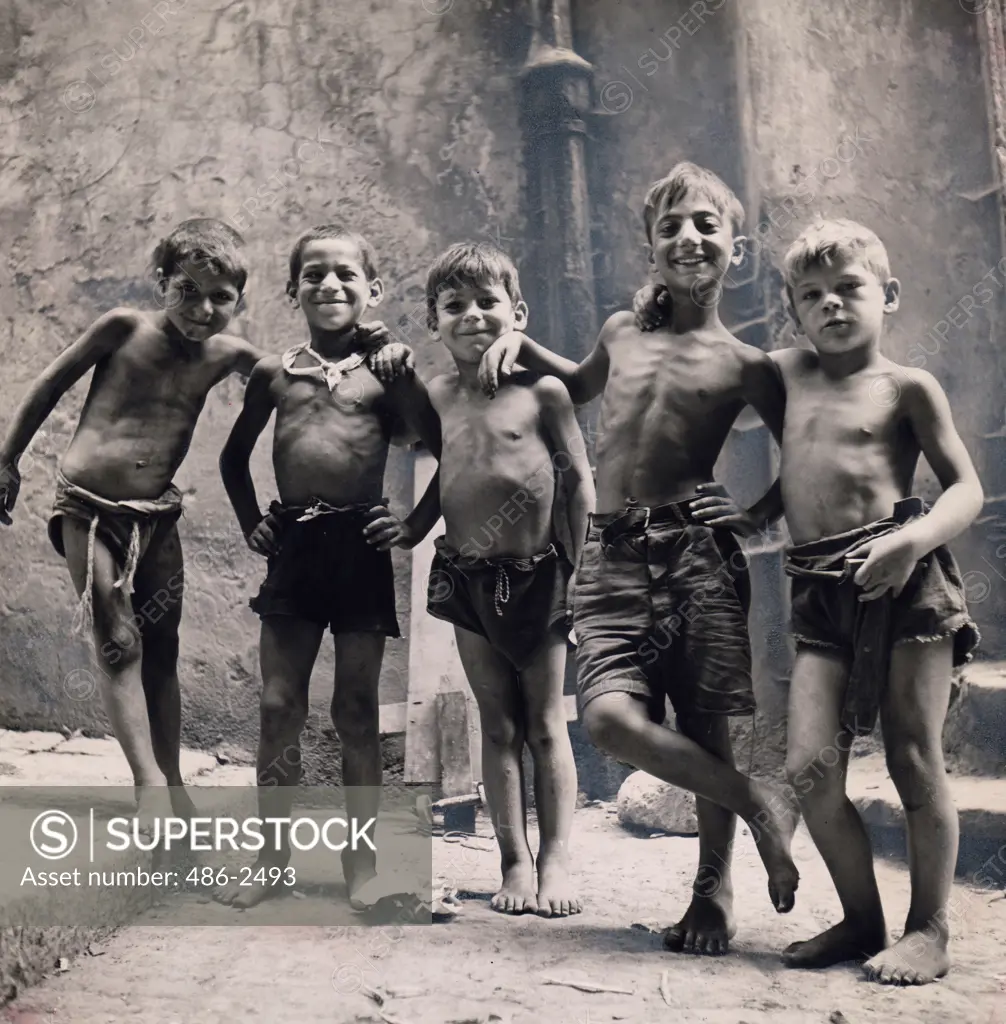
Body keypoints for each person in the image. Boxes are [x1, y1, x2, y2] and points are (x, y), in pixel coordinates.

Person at [477, 163, 801, 954]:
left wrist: (758, 520)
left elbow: (813, 450)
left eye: (706, 225)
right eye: (671, 227)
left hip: (695, 552)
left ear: (738, 249)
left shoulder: (749, 364)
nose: (688, 238)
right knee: (609, 719)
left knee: (706, 722)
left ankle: (713, 893)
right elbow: (581, 386)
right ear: (651, 247)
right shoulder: (621, 331)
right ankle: (760, 801)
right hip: (613, 553)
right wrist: (519, 343)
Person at [771, 219, 982, 984]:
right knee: (807, 768)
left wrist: (912, 542)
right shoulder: (786, 375)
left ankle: (929, 929)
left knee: (913, 760)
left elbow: (967, 487)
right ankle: (863, 922)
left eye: (849, 288)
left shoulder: (907, 386)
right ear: (794, 311)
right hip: (821, 596)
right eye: (812, 295)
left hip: (905, 584)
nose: (831, 305)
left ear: (887, 295)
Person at [0, 219, 263, 819]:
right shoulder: (124, 328)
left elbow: (300, 380)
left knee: (162, 648)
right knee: (119, 642)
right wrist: (7, 460)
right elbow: (48, 385)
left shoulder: (231, 354)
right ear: (162, 283)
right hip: (87, 510)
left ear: (239, 300)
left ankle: (171, 785)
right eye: (187, 290)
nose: (202, 309)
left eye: (220, 297)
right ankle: (147, 784)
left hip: (157, 518)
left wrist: (373, 352)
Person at [215, 225, 438, 910]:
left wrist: (411, 526)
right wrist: (254, 520)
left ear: (371, 290)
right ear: (292, 289)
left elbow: (444, 446)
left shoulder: (390, 375)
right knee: (279, 707)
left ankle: (360, 867)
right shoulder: (273, 373)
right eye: (313, 274)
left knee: (356, 711)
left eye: (346, 274)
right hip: (296, 550)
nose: (329, 285)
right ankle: (272, 861)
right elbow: (233, 458)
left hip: (361, 552)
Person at [392, 242, 594, 916]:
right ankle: (513, 862)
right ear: (433, 319)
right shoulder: (435, 397)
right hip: (466, 576)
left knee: (544, 723)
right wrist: (413, 529)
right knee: (496, 723)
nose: (473, 316)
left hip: (539, 574)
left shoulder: (545, 392)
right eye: (455, 306)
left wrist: (581, 568)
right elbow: (445, 473)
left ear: (518, 314)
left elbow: (579, 486)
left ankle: (556, 860)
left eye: (488, 303)